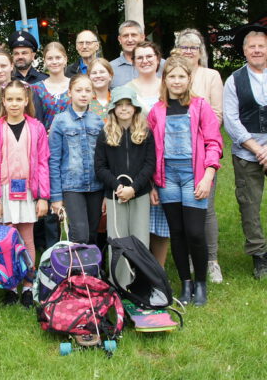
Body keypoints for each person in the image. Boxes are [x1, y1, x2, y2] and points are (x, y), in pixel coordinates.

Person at [148, 57, 222, 306]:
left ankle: (200, 283)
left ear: (189, 79)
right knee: (177, 232)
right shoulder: (157, 110)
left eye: (181, 76)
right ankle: (185, 283)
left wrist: (208, 175)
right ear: (165, 80)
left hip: (194, 175)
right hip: (167, 176)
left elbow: (214, 142)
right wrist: (152, 184)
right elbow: (150, 149)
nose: (177, 81)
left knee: (195, 232)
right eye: (172, 76)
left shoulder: (200, 106)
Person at [0, 79, 50, 307]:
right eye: (9, 99)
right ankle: (10, 286)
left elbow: (43, 163)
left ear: (26, 100)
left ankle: (28, 286)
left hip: (29, 190)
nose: (14, 103)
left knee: (27, 238)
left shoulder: (36, 128)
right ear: (3, 100)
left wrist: (43, 196)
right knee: (7, 239)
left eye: (18, 99)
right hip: (3, 191)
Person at [175, 29, 224, 283]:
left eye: (193, 47)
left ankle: (212, 259)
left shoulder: (211, 76)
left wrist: (197, 135)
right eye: (184, 47)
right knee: (183, 209)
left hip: (203, 151)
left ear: (200, 51)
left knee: (206, 207)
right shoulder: (171, 75)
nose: (188, 51)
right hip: (175, 153)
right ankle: (192, 256)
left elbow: (217, 114)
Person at [94, 86, 155, 288]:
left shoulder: (146, 133)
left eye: (128, 104)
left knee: (140, 239)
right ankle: (119, 283)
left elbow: (150, 165)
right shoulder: (105, 134)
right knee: (118, 239)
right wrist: (117, 186)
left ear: (135, 107)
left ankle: (141, 284)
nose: (123, 108)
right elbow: (100, 167)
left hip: (139, 193)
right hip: (115, 195)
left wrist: (134, 188)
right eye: (119, 105)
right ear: (113, 109)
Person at [223, 25, 267, 280]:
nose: (257, 50)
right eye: (252, 46)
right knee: (249, 206)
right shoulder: (234, 80)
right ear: (244, 50)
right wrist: (257, 149)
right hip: (247, 153)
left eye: (261, 46)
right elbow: (231, 119)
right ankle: (259, 255)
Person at [127, 41, 169, 267]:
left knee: (161, 218)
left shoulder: (168, 86)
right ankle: (140, 268)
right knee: (139, 218)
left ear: (158, 59)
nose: (145, 61)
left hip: (166, 156)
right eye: (140, 57)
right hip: (138, 157)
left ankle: (159, 271)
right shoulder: (127, 89)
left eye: (149, 56)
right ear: (133, 62)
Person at [49, 75, 104, 245]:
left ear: (93, 94)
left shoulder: (98, 121)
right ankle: (75, 262)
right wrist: (56, 197)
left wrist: (107, 192)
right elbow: (54, 160)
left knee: (93, 235)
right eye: (78, 90)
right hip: (72, 186)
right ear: (69, 93)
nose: (83, 94)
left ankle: (91, 263)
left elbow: (104, 158)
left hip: (96, 185)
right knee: (80, 235)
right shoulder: (60, 121)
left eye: (88, 90)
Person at [32, 42, 70, 251]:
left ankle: (71, 244)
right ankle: (50, 250)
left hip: (70, 147)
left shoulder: (74, 85)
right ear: (44, 62)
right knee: (47, 193)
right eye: (50, 58)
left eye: (58, 57)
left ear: (65, 59)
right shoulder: (36, 88)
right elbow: (34, 118)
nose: (54, 62)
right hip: (45, 148)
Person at [110, 20, 164, 88]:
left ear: (142, 37)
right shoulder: (110, 68)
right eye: (125, 36)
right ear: (120, 39)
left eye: (133, 35)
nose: (130, 40)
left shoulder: (162, 65)